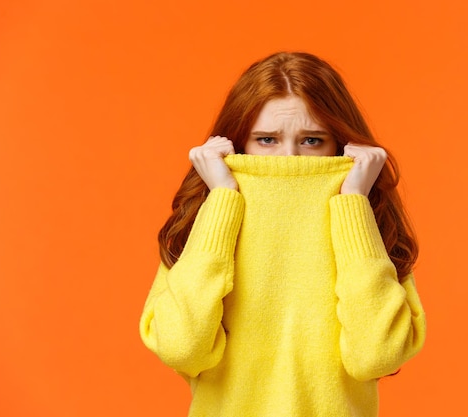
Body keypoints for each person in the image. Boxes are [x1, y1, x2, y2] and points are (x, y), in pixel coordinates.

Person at [139, 51, 426, 417]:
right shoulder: (202, 223)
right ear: (237, 142)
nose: (288, 159)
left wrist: (354, 202)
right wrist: (223, 201)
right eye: (266, 140)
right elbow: (183, 348)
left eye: (311, 141)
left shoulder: (370, 227)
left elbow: (377, 355)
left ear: (339, 145)